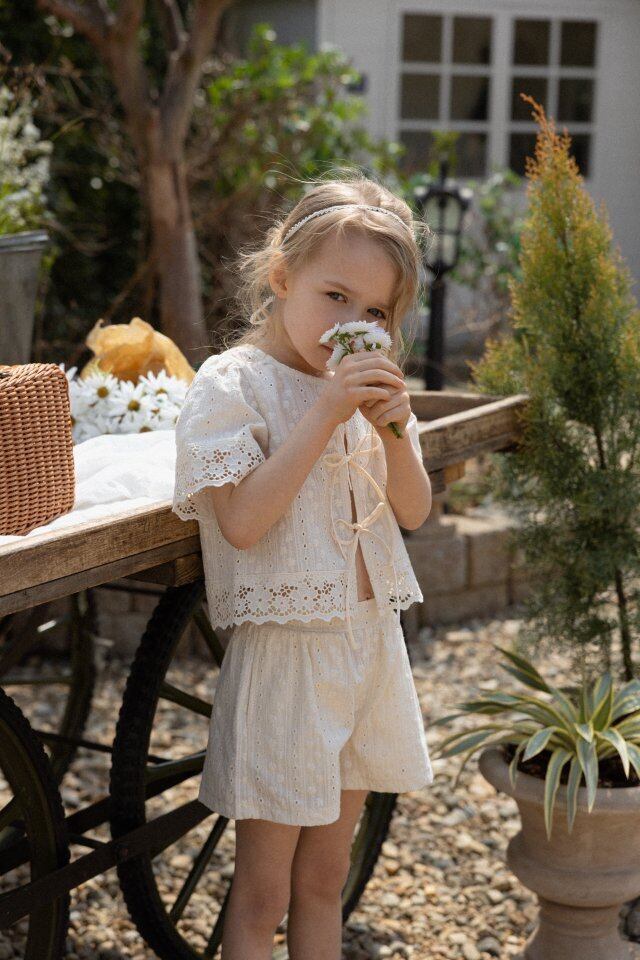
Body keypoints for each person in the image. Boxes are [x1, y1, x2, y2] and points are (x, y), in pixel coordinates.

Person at [172, 172, 435, 960]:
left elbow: (414, 510)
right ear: (282, 274)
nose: (353, 326)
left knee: (325, 879)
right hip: (289, 662)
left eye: (375, 313)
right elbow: (243, 522)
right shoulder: (234, 384)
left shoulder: (368, 391)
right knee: (263, 893)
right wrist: (326, 411)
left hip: (367, 648)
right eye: (335, 296)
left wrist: (393, 429)